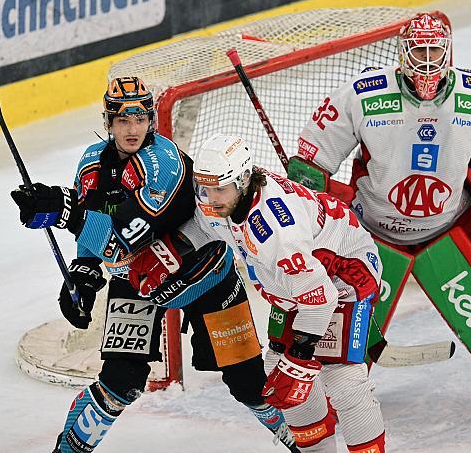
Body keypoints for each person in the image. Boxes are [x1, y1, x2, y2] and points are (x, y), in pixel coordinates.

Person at [286, 12, 471, 417]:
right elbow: (308, 169)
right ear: (402, 52)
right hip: (371, 236)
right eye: (418, 49)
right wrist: (319, 209)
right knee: (345, 327)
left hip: (448, 231)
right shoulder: (361, 93)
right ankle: (325, 397)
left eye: (434, 49)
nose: (426, 59)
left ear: (449, 51)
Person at [10, 77, 299, 452]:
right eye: (122, 120)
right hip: (139, 279)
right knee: (119, 383)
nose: (132, 129)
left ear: (151, 121)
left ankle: (305, 445)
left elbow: (120, 240)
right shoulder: (90, 165)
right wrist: (83, 272)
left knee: (249, 386)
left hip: (206, 274)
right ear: (108, 122)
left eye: (140, 119)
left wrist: (62, 211)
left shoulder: (164, 164)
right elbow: (96, 229)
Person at [132, 133, 387, 452]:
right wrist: (169, 251)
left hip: (342, 274)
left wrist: (301, 358)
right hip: (294, 286)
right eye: (206, 189)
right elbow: (204, 227)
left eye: (219, 189)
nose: (210, 198)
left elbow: (321, 299)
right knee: (279, 376)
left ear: (242, 180)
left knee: (341, 379)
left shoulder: (277, 228)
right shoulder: (219, 193)